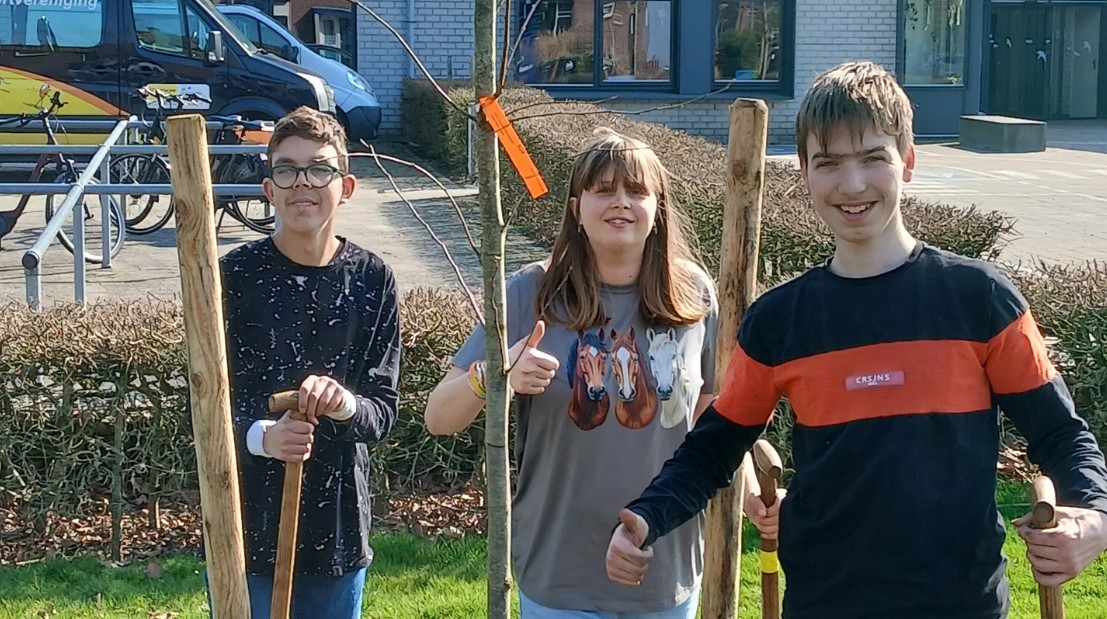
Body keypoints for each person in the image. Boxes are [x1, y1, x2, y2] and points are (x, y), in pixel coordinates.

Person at [605, 61, 1107, 619]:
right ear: (804, 174)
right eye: (829, 163)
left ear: (908, 162)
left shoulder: (980, 300)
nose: (852, 184)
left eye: (873, 158)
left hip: (960, 603)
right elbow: (712, 449)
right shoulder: (779, 322)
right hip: (824, 603)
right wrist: (647, 517)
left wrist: (1093, 514)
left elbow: (1061, 433)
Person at [424, 127, 732, 618]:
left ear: (659, 209)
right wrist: (497, 375)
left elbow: (712, 414)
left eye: (636, 190)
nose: (621, 203)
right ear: (576, 209)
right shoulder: (530, 293)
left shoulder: (693, 296)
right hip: (558, 569)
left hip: (664, 560)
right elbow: (438, 416)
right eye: (603, 190)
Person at [217, 106, 401, 618]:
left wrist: (344, 406)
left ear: (345, 187)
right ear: (268, 188)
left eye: (318, 169)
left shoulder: (373, 279)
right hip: (245, 526)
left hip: (337, 533)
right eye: (287, 169)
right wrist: (262, 437)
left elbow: (382, 411)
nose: (303, 183)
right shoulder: (231, 277)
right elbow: (204, 402)